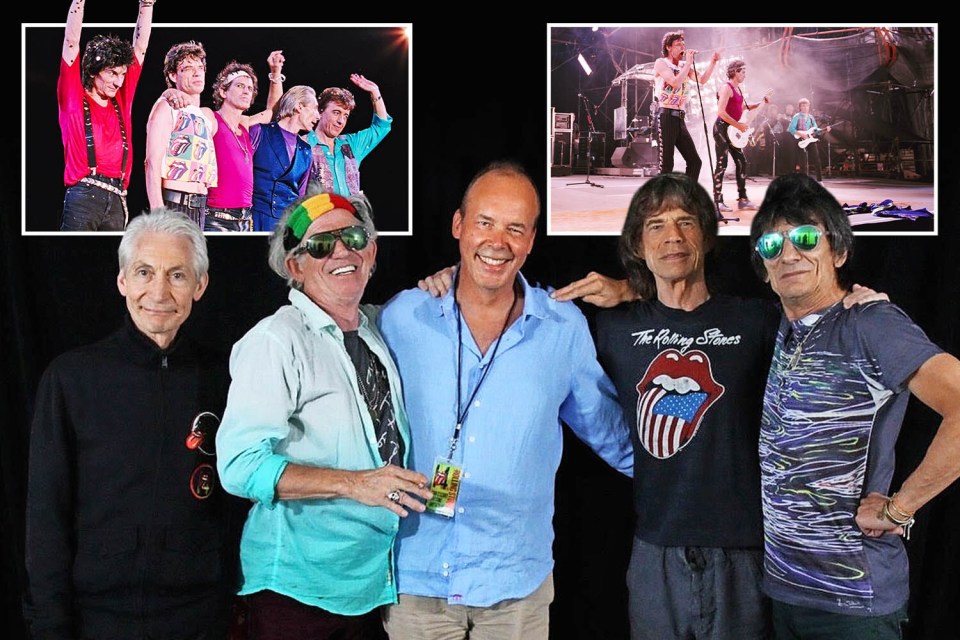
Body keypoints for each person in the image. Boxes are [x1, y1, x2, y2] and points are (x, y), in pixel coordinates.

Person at [548, 174, 886, 640]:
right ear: (637, 244)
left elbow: (824, 323)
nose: (673, 236)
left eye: (686, 222)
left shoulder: (757, 318)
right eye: (656, 226)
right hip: (655, 549)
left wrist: (860, 302)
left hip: (745, 549)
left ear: (707, 237)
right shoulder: (610, 328)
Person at [377, 161, 633, 639]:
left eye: (516, 228)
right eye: (485, 222)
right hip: (418, 580)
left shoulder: (563, 326)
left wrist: (689, 478)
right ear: (458, 226)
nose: (498, 242)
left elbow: (609, 433)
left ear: (532, 240)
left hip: (517, 586)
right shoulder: (403, 317)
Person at [748, 173, 960, 638]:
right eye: (771, 245)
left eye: (805, 237)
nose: (788, 254)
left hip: (852, 602)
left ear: (838, 252)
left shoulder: (870, 323)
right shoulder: (785, 327)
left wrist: (899, 509)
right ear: (764, 267)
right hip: (785, 590)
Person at [215, 192, 432, 639]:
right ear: (295, 267)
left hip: (370, 587)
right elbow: (238, 467)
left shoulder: (376, 327)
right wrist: (355, 484)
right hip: (298, 594)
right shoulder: (277, 340)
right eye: (319, 245)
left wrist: (445, 281)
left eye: (353, 237)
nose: (341, 251)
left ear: (371, 250)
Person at [23, 209, 240, 639]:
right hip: (96, 618)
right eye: (144, 272)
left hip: (199, 618)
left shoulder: (227, 377)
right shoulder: (71, 378)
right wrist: (49, 624)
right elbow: (46, 513)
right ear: (123, 281)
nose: (158, 292)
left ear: (200, 286)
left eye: (177, 275)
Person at [57, 0, 154, 231]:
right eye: (112, 73)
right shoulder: (73, 98)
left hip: (119, 199)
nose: (119, 82)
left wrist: (147, 5)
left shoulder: (121, 100)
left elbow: (139, 48)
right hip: (83, 197)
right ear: (93, 71)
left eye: (122, 74)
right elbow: (71, 43)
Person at [204, 51, 285, 232]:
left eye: (249, 88)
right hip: (215, 219)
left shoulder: (245, 125)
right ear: (223, 91)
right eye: (240, 86)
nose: (246, 91)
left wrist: (276, 72)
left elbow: (273, 112)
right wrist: (173, 94)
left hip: (245, 220)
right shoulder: (211, 117)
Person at [145, 41, 217, 227]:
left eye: (200, 67)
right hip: (175, 205)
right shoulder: (166, 106)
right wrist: (157, 210)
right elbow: (151, 162)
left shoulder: (205, 117)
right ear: (172, 74)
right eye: (187, 68)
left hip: (201, 207)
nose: (197, 72)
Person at [306, 75, 392, 196]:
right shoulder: (303, 145)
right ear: (320, 111)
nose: (341, 121)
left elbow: (381, 126)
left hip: (350, 214)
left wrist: (375, 92)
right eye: (336, 113)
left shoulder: (350, 144)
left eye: (345, 116)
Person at [250, 85, 318, 232]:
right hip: (256, 219)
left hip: (286, 225)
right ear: (300, 106)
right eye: (314, 108)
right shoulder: (260, 132)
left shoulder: (306, 150)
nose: (318, 116)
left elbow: (301, 195)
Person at [653, 31, 719, 180]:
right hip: (666, 116)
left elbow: (702, 80)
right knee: (666, 166)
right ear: (668, 47)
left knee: (695, 162)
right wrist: (688, 63)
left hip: (680, 119)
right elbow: (675, 82)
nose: (682, 47)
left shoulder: (684, 65)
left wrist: (713, 62)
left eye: (683, 44)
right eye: (678, 44)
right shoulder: (661, 63)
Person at [712, 59, 769, 213]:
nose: (745, 74)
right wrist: (739, 126)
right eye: (743, 71)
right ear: (735, 72)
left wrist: (759, 103)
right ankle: (717, 201)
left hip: (732, 130)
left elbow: (741, 106)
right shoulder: (726, 88)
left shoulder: (738, 89)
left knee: (742, 162)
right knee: (721, 164)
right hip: (722, 129)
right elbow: (721, 112)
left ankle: (743, 199)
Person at [787, 98, 829, 181]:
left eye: (807, 106)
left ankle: (820, 181)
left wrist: (824, 130)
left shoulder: (811, 118)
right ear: (800, 107)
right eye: (803, 106)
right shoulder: (797, 116)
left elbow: (816, 130)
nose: (805, 107)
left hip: (810, 140)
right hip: (800, 140)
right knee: (802, 162)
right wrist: (801, 134)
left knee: (817, 159)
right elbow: (791, 129)